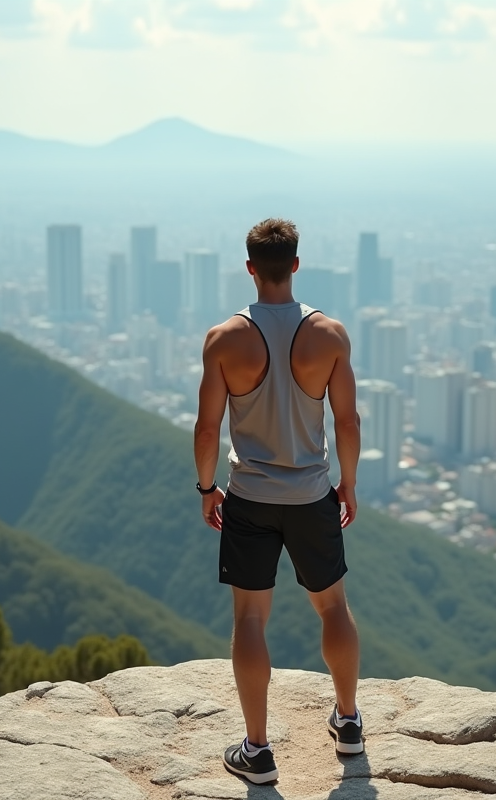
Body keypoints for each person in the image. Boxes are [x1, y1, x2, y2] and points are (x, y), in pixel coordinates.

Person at [193, 218, 363, 786]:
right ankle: (348, 721)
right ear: (295, 264)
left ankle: (259, 751)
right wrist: (350, 482)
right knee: (334, 607)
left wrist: (205, 486)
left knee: (249, 617)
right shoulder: (330, 336)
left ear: (249, 268)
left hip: (250, 496)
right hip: (313, 492)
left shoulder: (223, 340)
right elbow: (347, 420)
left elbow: (207, 428)